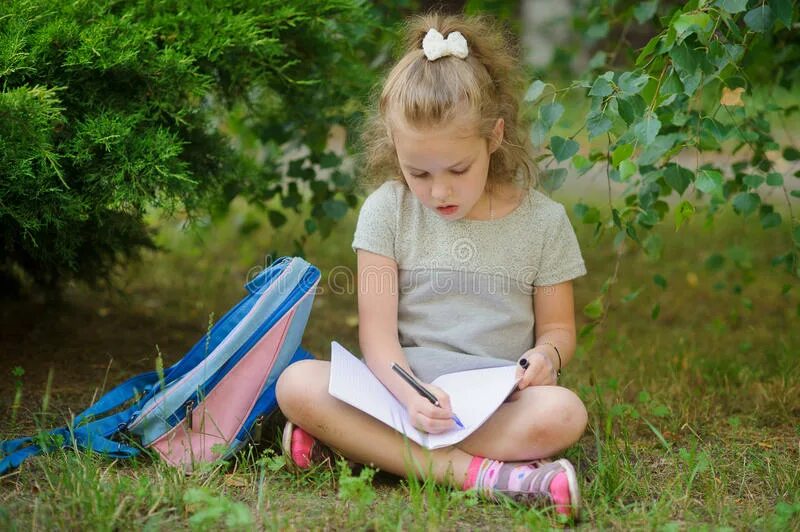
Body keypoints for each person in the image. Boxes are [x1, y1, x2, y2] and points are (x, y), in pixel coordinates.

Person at [276, 12, 588, 517]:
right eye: (417, 172)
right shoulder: (386, 211)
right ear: (393, 148)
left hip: (492, 405)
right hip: (401, 393)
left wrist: (547, 357)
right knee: (296, 383)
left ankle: (361, 449)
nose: (438, 191)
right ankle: (485, 476)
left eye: (457, 170)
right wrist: (411, 397)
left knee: (564, 413)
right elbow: (378, 340)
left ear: (494, 137)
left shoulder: (544, 223)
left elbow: (557, 329)